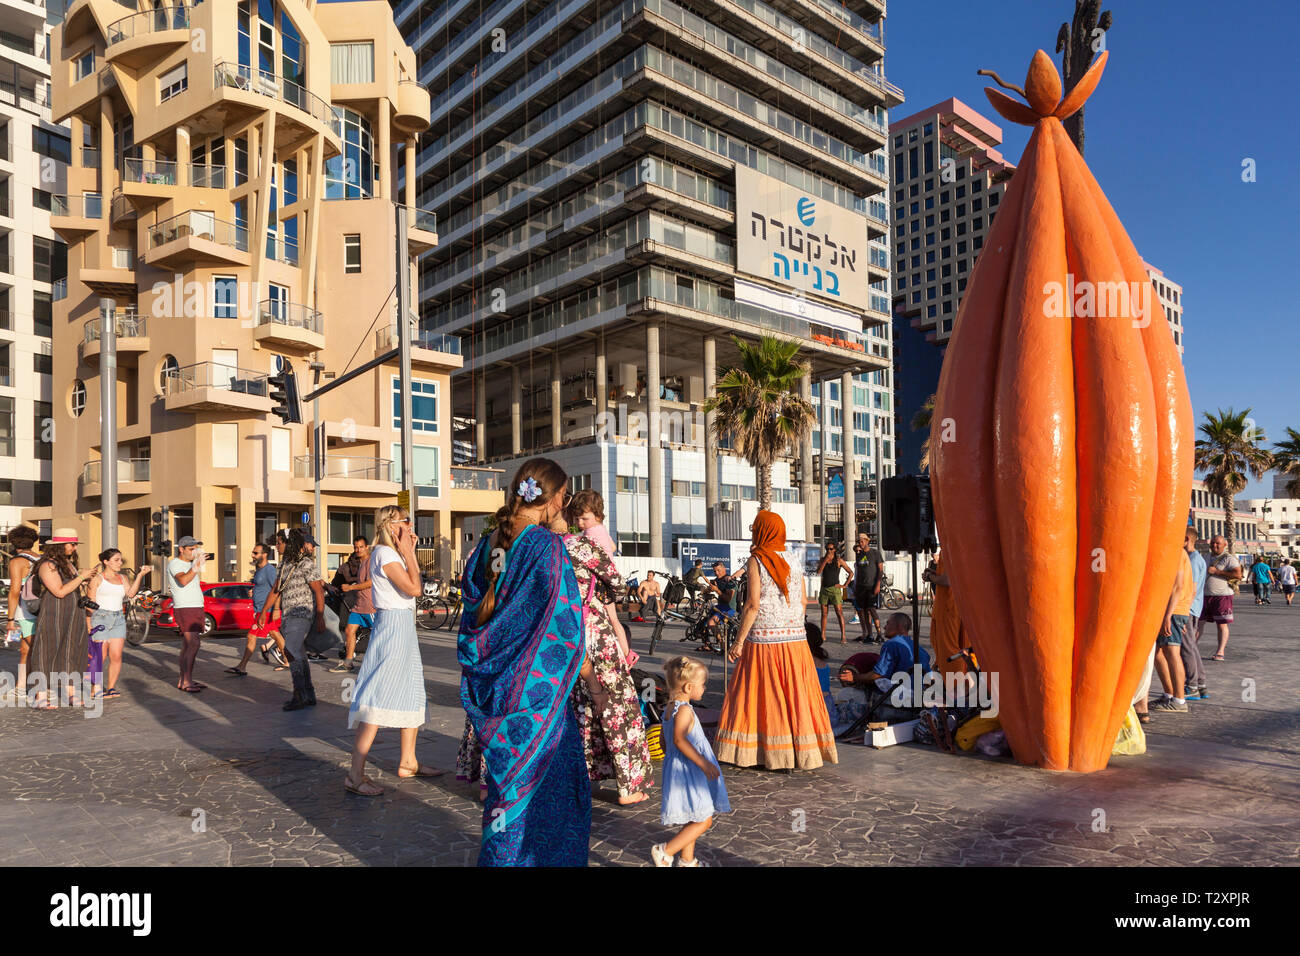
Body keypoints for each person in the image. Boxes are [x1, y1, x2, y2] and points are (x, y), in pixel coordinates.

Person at [458, 458, 593, 866]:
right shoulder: (545, 547)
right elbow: (565, 626)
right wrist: (594, 682)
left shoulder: (486, 546)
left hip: (498, 695)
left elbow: (474, 614)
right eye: (564, 499)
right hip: (540, 703)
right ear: (553, 501)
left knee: (507, 795)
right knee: (557, 795)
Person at [716, 511, 837, 771]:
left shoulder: (757, 559)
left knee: (763, 695)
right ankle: (799, 753)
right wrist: (791, 623)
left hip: (764, 641)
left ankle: (761, 753)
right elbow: (803, 601)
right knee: (796, 695)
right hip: (795, 640)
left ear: (762, 531)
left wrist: (738, 642)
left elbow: (752, 605)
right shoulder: (792, 559)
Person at [563, 489, 653, 806]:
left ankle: (580, 776)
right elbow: (615, 584)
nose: (579, 523)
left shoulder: (556, 546)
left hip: (566, 631)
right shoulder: (588, 546)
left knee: (580, 708)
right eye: (576, 518)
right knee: (617, 707)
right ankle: (628, 785)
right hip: (595, 632)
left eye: (584, 518)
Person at [345, 505, 443, 795]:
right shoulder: (385, 554)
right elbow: (415, 589)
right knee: (377, 696)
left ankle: (409, 760)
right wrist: (410, 553)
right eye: (405, 521)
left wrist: (408, 552)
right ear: (391, 526)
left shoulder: (394, 554)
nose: (411, 525)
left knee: (412, 691)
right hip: (392, 628)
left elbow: (414, 588)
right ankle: (354, 774)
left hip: (401, 627)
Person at [651, 656, 730, 867]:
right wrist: (703, 763)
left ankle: (687, 861)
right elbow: (678, 740)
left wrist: (672, 760)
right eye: (703, 685)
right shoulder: (684, 710)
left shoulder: (668, 709)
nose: (704, 689)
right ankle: (665, 851)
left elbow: (664, 741)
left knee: (693, 816)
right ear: (688, 687)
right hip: (690, 771)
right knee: (704, 819)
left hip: (679, 769)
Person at [28, 529, 98, 708]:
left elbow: (72, 587)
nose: (74, 548)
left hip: (74, 611)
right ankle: (40, 697)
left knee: (72, 650)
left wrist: (85, 579)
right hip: (54, 611)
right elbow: (59, 591)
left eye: (75, 544)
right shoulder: (47, 565)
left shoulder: (68, 563)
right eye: (72, 544)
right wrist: (82, 576)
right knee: (47, 650)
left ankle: (72, 694)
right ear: (60, 545)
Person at [257, 529, 325, 711]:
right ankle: (308, 694)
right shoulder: (283, 564)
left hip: (302, 614)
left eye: (279, 542)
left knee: (290, 650)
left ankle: (299, 695)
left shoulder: (306, 564)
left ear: (289, 543)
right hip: (289, 615)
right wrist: (265, 611)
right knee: (299, 654)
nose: (276, 546)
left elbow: (318, 590)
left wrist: (320, 616)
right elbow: (275, 590)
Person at [86, 548, 149, 699]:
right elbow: (90, 603)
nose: (120, 562)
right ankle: (96, 688)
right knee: (100, 656)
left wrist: (140, 575)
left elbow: (131, 594)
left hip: (118, 618)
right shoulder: (97, 579)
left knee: (116, 655)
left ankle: (111, 687)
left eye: (121, 559)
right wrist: (89, 624)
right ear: (105, 561)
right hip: (100, 618)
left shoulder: (122, 578)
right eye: (116, 560)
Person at [228, 542, 285, 676]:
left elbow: (277, 589)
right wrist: (254, 591)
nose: (252, 555)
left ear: (264, 555)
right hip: (260, 609)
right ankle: (289, 660)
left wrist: (276, 610)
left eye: (256, 553)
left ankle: (242, 666)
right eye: (253, 552)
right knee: (275, 634)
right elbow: (264, 587)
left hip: (266, 610)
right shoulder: (259, 570)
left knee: (251, 636)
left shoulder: (269, 570)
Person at [1151, 540, 1193, 713]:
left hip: (1173, 609)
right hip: (1174, 609)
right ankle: (1169, 694)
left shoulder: (1176, 553)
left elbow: (1178, 585)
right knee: (1159, 652)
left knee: (1171, 652)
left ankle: (1179, 700)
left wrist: (1169, 615)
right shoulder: (1178, 553)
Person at [4, 526, 42, 700]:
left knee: (35, 650)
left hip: (25, 610)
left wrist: (10, 618)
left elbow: (14, 591)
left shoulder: (17, 561)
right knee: (25, 650)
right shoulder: (40, 558)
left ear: (13, 541)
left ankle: (40, 689)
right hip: (40, 607)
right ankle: (20, 687)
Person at [167, 536, 208, 693]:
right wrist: (196, 566)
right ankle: (186, 681)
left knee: (187, 645)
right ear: (181, 549)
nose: (194, 552)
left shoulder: (188, 564)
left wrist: (195, 565)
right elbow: (183, 580)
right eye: (191, 549)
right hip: (186, 607)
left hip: (194, 606)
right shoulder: (175, 563)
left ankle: (184, 680)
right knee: (193, 644)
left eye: (195, 549)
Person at [923, 550, 969, 677]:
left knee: (949, 649)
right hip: (961, 604)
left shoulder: (951, 546)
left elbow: (948, 580)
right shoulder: (963, 545)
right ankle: (965, 683)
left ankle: (956, 686)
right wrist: (935, 573)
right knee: (963, 647)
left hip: (949, 606)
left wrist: (930, 577)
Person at [332, 535, 374, 673]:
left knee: (378, 635)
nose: (358, 550)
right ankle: (348, 663)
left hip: (370, 606)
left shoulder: (370, 562)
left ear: (366, 547)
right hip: (358, 605)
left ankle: (380, 663)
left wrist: (351, 588)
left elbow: (370, 583)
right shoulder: (361, 563)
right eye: (356, 547)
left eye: (361, 547)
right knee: (349, 631)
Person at [1197, 535, 1240, 661]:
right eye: (1213, 543)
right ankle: (1191, 649)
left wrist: (1217, 572)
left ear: (1224, 544)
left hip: (1222, 596)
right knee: (1198, 623)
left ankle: (1220, 651)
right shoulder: (1204, 557)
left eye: (1217, 543)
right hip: (1204, 596)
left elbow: (1238, 574)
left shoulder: (1229, 559)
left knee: (1221, 624)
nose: (1214, 545)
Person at [1180, 528, 1209, 701]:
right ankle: (1201, 683)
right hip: (1193, 608)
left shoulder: (1192, 560)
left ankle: (1192, 685)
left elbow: (1190, 588)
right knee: (1191, 646)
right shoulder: (1196, 558)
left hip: (1188, 608)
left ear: (1186, 539)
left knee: (1186, 647)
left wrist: (1183, 612)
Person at [815, 542, 854, 645]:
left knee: (839, 612)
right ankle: (823, 634)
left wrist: (845, 585)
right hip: (824, 589)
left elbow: (851, 572)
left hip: (835, 589)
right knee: (824, 613)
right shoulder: (822, 560)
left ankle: (843, 635)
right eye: (827, 549)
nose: (829, 551)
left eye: (831, 549)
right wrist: (825, 561)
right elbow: (818, 572)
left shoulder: (839, 561)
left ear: (835, 550)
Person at [852, 532, 885, 643]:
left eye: (862, 541)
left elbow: (880, 570)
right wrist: (855, 587)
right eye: (859, 541)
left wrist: (878, 584)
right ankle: (869, 634)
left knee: (872, 609)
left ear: (867, 541)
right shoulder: (859, 555)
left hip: (871, 586)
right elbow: (858, 572)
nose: (860, 543)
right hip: (861, 587)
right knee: (864, 610)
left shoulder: (875, 553)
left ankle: (879, 633)